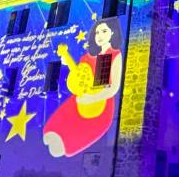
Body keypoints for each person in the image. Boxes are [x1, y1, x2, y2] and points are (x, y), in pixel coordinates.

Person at [43, 17, 124, 158]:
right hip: (82, 97)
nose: (99, 36)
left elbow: (110, 88)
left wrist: (92, 98)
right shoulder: (89, 56)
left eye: (104, 31)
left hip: (100, 104)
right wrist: (66, 59)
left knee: (80, 129)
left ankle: (65, 144)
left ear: (112, 33)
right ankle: (55, 135)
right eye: (97, 32)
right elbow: (80, 76)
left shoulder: (112, 55)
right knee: (60, 119)